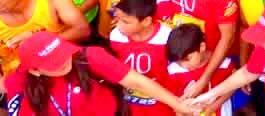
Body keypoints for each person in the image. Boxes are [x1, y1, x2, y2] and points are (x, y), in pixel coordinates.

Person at [5, 31, 193, 116]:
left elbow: (136, 82)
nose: (63, 62)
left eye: (63, 54)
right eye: (54, 63)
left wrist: (177, 104)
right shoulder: (18, 83)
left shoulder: (89, 57)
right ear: (35, 71)